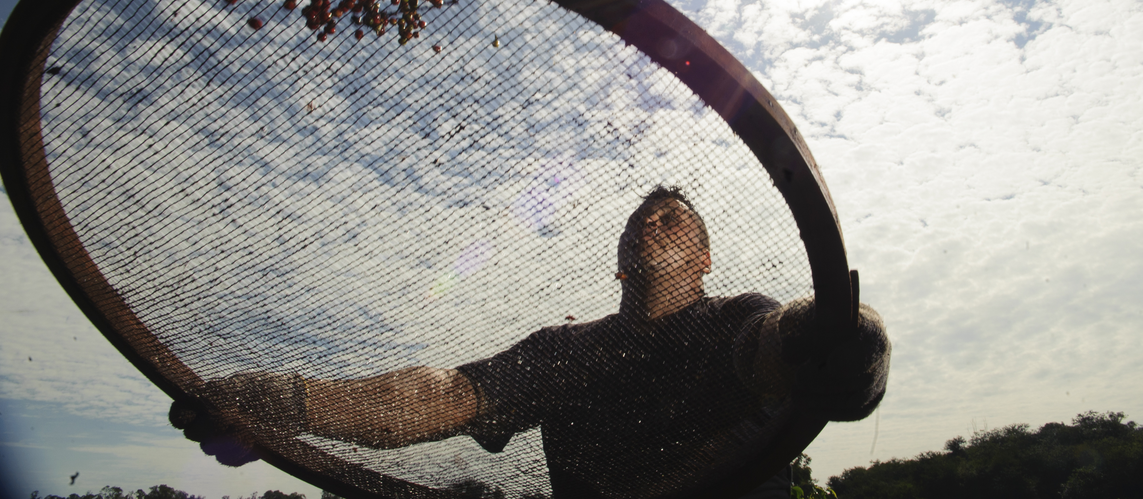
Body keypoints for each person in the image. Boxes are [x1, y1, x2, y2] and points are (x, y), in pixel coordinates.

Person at [171, 186, 890, 498]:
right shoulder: (565, 352)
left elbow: (782, 352)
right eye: (639, 221)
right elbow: (447, 397)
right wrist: (285, 403)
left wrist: (850, 345)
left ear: (704, 260)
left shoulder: (741, 319)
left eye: (672, 221)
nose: (649, 225)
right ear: (616, 263)